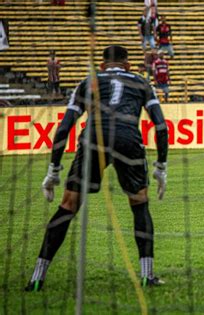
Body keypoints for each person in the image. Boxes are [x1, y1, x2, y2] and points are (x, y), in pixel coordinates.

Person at [24, 45, 169, 292]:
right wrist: (161, 166)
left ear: (102, 65)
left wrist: (53, 170)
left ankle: (37, 278)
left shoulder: (88, 82)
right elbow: (161, 126)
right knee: (139, 204)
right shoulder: (141, 82)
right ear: (129, 65)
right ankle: (147, 275)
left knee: (68, 206)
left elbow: (64, 127)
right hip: (128, 139)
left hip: (94, 137)